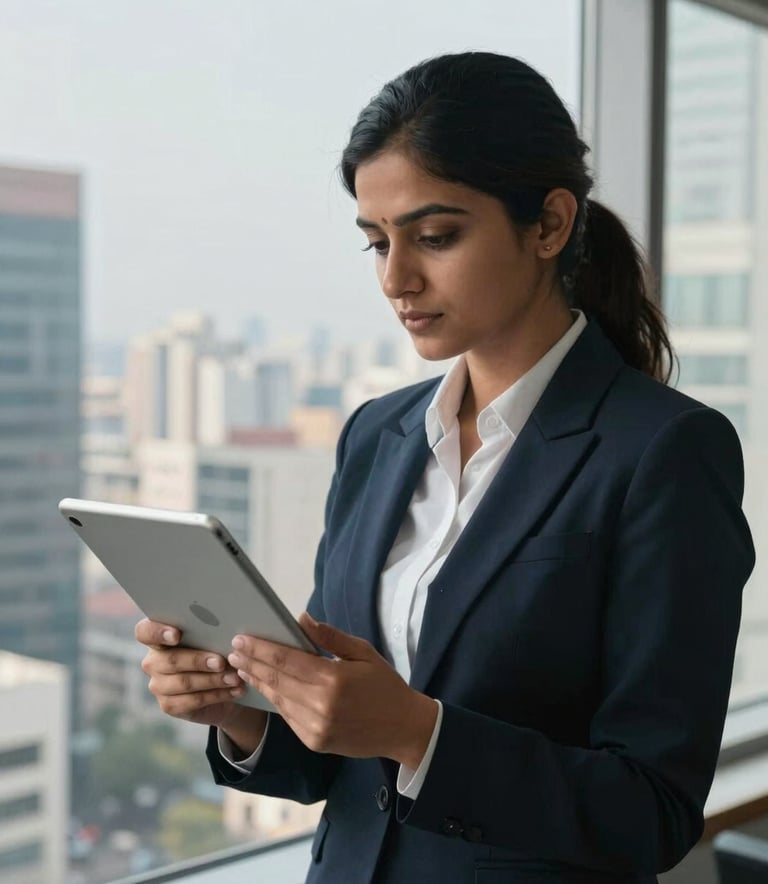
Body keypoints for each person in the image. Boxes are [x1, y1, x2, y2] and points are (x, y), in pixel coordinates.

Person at [135, 51, 755, 883]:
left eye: (435, 236)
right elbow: (330, 766)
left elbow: (650, 811)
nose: (397, 278)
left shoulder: (665, 452)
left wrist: (419, 735)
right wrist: (241, 715)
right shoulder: (376, 434)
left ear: (550, 224)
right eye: (376, 242)